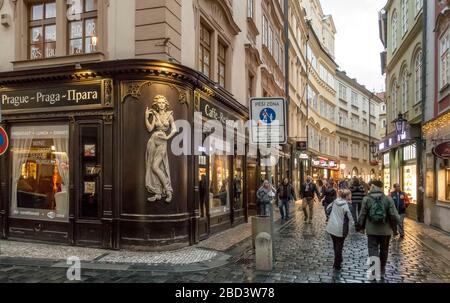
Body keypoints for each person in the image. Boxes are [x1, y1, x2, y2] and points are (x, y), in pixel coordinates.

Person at [357, 180, 400, 280]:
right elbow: (394, 216)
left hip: (371, 230)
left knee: (372, 249)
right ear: (380, 188)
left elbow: (362, 215)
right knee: (384, 250)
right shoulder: (388, 199)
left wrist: (360, 227)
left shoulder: (367, 199)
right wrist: (395, 228)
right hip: (386, 230)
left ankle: (374, 272)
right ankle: (382, 270)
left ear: (372, 187)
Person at [326, 189, 354, 273]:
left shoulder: (335, 201)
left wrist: (331, 217)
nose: (351, 196)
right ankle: (337, 264)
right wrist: (351, 229)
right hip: (341, 229)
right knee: (339, 246)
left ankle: (339, 259)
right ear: (347, 196)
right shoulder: (347, 205)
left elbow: (328, 210)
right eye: (350, 194)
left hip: (331, 227)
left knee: (336, 245)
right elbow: (351, 219)